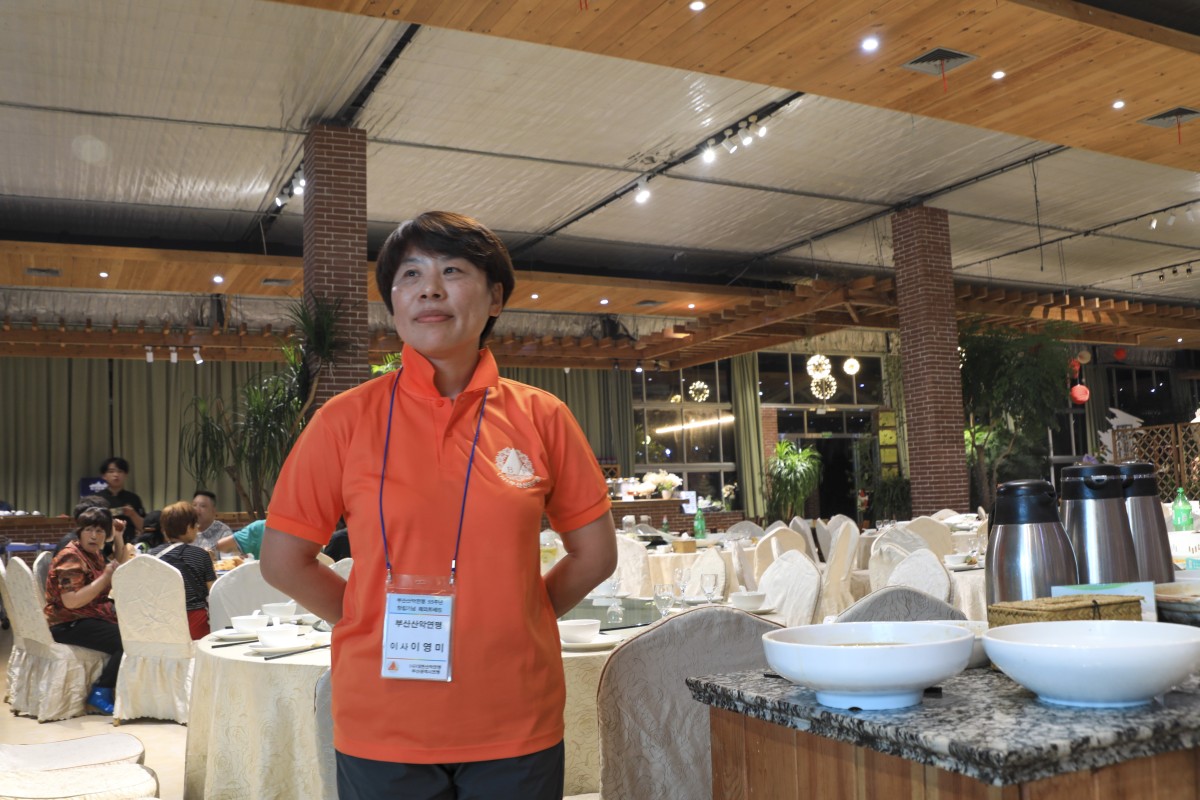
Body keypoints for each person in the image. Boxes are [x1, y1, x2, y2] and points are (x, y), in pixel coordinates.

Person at [261, 211, 617, 800]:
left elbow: (595, 555)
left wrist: (520, 614)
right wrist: (365, 617)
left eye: (452, 271)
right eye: (410, 275)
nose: (429, 289)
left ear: (495, 297)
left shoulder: (543, 417)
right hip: (382, 719)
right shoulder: (343, 421)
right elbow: (283, 560)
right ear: (393, 303)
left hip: (514, 714)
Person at [43, 507, 125, 714]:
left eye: (100, 531)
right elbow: (71, 602)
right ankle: (100, 692)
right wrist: (105, 578)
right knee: (127, 640)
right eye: (89, 530)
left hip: (86, 617)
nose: (94, 536)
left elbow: (118, 564)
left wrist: (118, 536)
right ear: (79, 532)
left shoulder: (92, 553)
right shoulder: (70, 558)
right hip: (67, 623)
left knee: (133, 629)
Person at [150, 501, 217, 639]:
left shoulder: (151, 555)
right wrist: (210, 563)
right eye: (195, 524)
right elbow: (214, 592)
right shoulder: (201, 555)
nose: (197, 528)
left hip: (162, 622)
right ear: (188, 527)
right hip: (195, 623)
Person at [97, 457, 145, 534]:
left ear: (126, 475)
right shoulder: (96, 499)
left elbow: (143, 527)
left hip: (128, 539)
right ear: (104, 476)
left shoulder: (134, 498)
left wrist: (132, 514)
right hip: (103, 538)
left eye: (120, 471)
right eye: (111, 471)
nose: (116, 475)